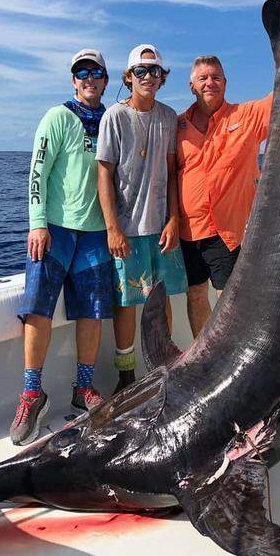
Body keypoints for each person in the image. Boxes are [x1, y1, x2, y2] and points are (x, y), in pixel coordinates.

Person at [11, 48, 113, 446]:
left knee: (92, 312)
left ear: (105, 79)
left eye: (96, 72)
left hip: (95, 233)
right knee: (38, 309)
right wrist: (37, 224)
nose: (89, 78)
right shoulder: (57, 117)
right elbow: (37, 172)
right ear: (74, 81)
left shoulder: (112, 121)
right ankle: (32, 393)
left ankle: (82, 387)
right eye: (81, 73)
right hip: (53, 231)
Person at [96, 44, 188, 394]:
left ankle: (164, 365)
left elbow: (171, 171)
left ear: (163, 78)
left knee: (161, 299)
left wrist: (173, 219)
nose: (147, 77)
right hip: (127, 230)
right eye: (141, 71)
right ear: (128, 77)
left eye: (154, 71)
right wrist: (113, 228)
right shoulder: (114, 117)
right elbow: (104, 173)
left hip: (162, 228)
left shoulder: (168, 116)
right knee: (127, 303)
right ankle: (126, 374)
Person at [176, 55, 273, 337]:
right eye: (203, 78)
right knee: (195, 294)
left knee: (229, 300)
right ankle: (201, 353)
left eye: (216, 77)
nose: (210, 83)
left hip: (227, 230)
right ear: (192, 85)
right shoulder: (177, 125)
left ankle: (230, 356)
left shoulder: (248, 115)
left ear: (226, 83)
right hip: (187, 231)